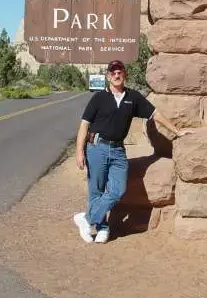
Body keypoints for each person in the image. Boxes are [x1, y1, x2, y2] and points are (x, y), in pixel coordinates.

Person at [73, 59, 191, 244]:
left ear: (125, 75)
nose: (117, 75)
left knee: (118, 190)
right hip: (97, 148)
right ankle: (102, 227)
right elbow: (84, 125)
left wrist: (176, 131)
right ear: (108, 76)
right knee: (96, 191)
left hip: (118, 150)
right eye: (113, 72)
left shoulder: (133, 97)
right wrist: (79, 151)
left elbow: (156, 114)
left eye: (120, 72)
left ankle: (86, 219)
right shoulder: (98, 98)